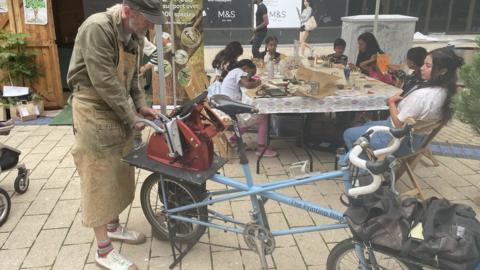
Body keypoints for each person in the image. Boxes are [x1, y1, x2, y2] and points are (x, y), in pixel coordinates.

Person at [66, 1, 161, 269]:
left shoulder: (136, 35)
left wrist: (141, 105)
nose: (152, 25)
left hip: (119, 107)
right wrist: (132, 117)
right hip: (94, 108)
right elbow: (104, 80)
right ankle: (103, 251)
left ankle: (113, 226)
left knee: (120, 169)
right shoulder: (97, 28)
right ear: (128, 10)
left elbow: (133, 80)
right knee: (98, 176)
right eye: (148, 18)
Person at [343, 47, 463, 157]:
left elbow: (398, 123)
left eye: (428, 65)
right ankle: (368, 162)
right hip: (415, 140)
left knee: (348, 133)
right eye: (424, 64)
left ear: (442, 71)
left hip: (397, 141)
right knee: (365, 125)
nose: (422, 68)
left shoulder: (422, 96)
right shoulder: (448, 92)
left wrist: (391, 102)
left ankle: (364, 168)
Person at [220, 59, 277, 157]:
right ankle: (261, 148)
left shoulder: (234, 72)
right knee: (263, 115)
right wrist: (259, 82)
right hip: (231, 111)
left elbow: (246, 82)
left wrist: (251, 80)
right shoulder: (239, 72)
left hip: (227, 107)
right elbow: (248, 85)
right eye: (251, 73)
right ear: (246, 68)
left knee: (250, 115)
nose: (250, 76)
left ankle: (234, 139)